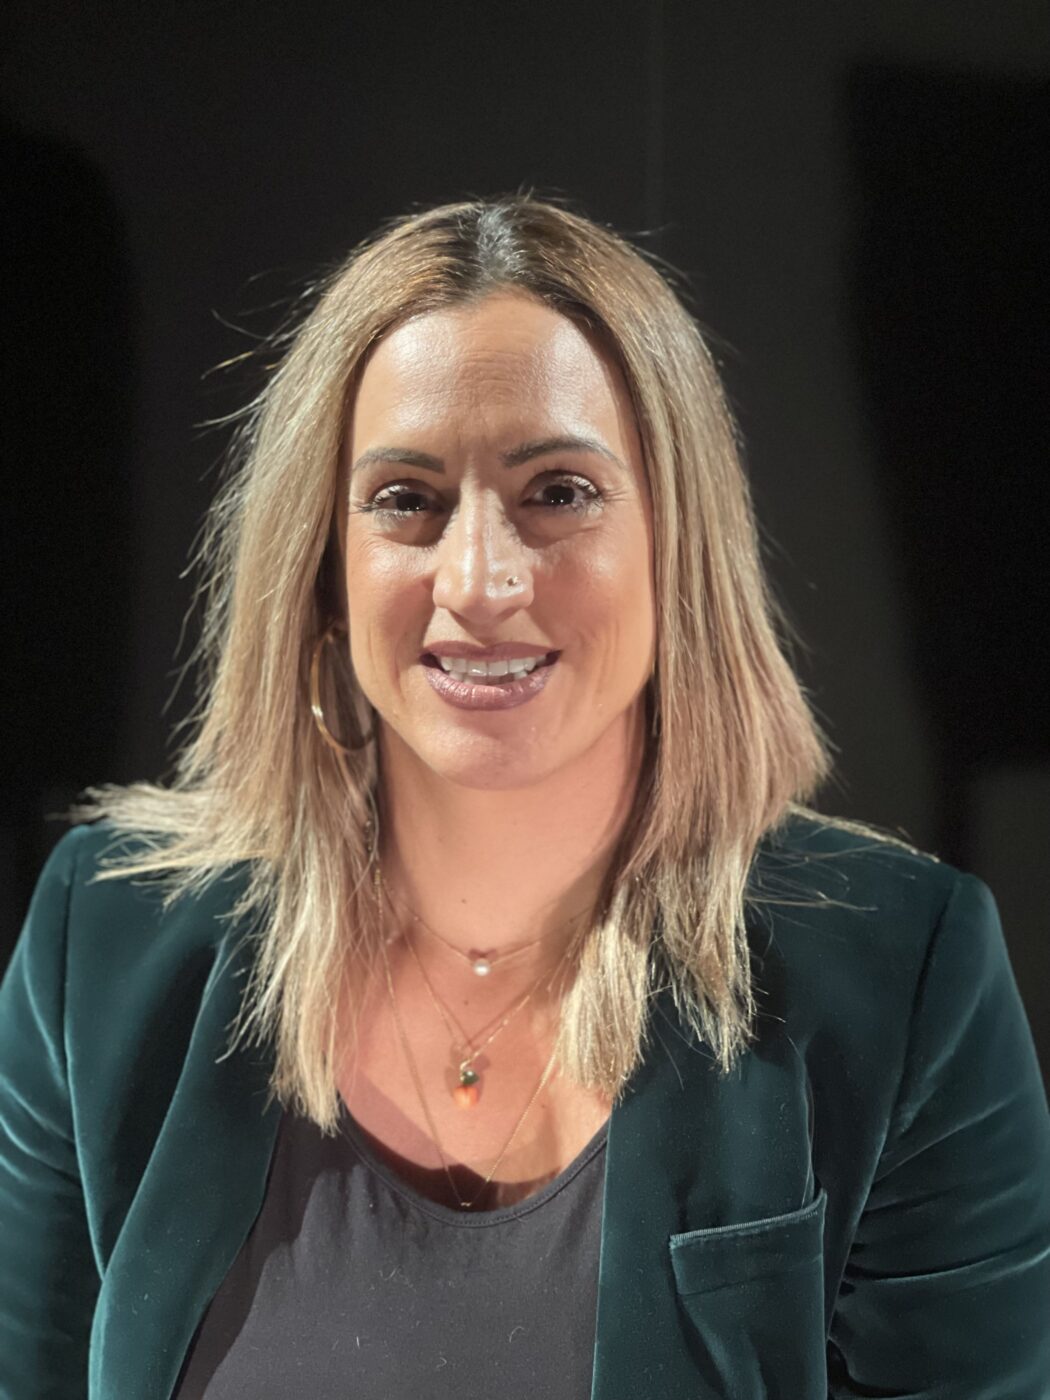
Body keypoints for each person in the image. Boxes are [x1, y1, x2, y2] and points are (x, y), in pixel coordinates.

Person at [1, 195, 1048, 1400]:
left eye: (558, 490)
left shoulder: (905, 972)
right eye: (407, 498)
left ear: (678, 544)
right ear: (324, 571)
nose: (481, 578)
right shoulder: (103, 942)